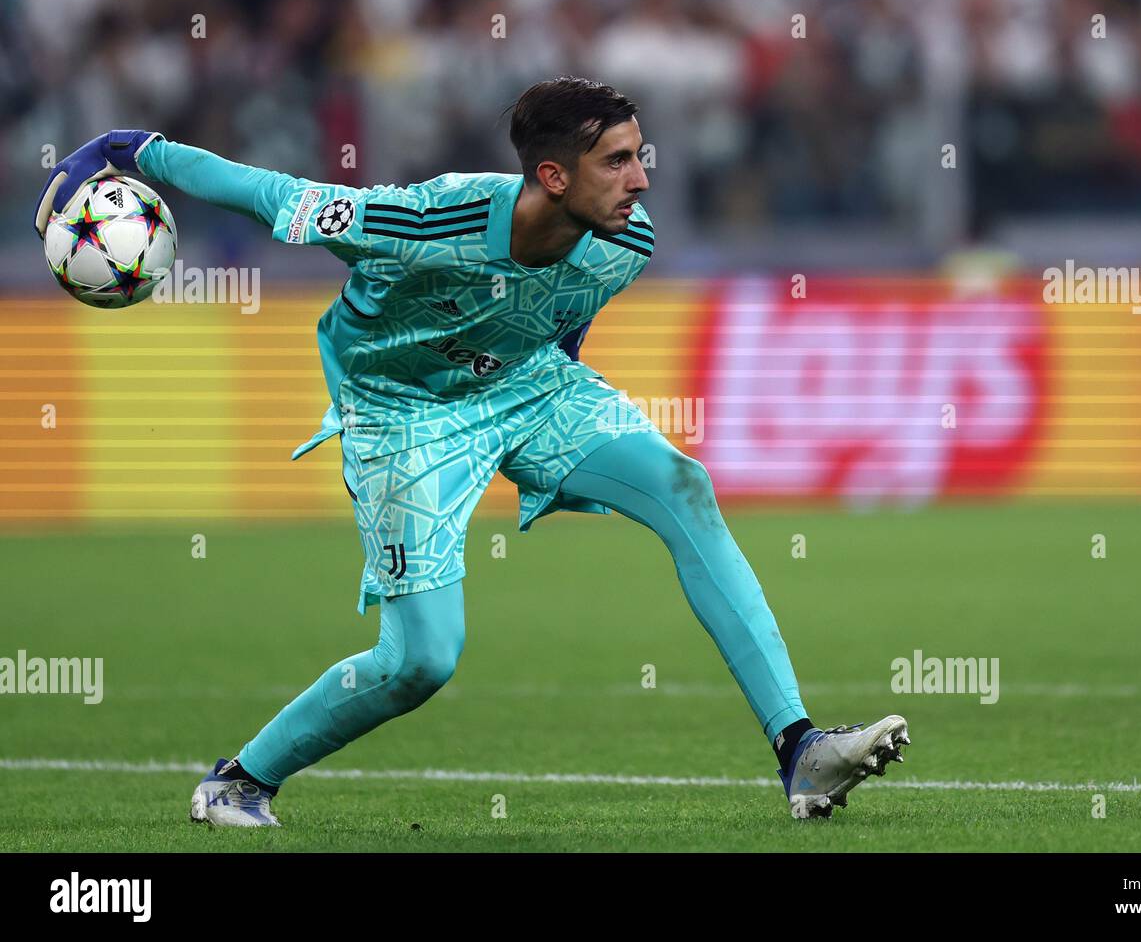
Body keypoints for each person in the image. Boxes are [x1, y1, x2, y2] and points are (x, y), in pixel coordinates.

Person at [34, 76, 908, 826]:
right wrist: (130, 147)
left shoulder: (627, 239)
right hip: (401, 411)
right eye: (618, 161)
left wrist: (558, 422)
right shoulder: (421, 217)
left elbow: (564, 317)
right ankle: (238, 780)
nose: (642, 179)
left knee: (684, 485)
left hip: (526, 388)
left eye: (643, 155)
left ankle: (801, 748)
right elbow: (268, 192)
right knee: (421, 661)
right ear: (552, 175)